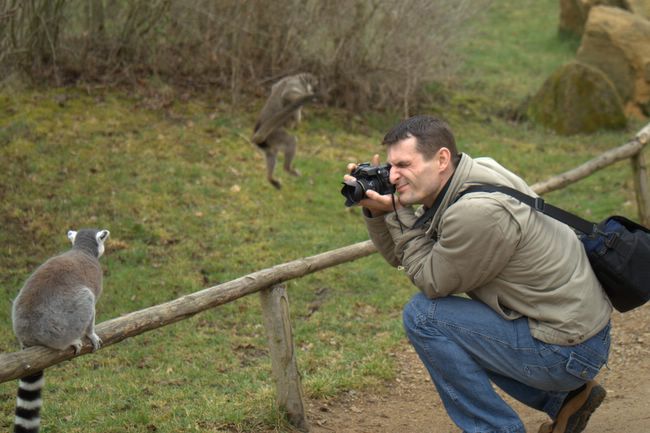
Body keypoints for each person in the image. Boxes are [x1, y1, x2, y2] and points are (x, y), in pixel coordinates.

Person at [344, 115, 612, 433]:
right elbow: (400, 256)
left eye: (404, 165)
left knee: (424, 317)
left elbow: (430, 281)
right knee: (457, 329)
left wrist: (398, 213)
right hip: (574, 326)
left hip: (567, 348)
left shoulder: (475, 212)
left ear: (442, 158)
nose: (393, 175)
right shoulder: (472, 173)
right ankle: (568, 399)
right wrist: (378, 212)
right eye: (389, 167)